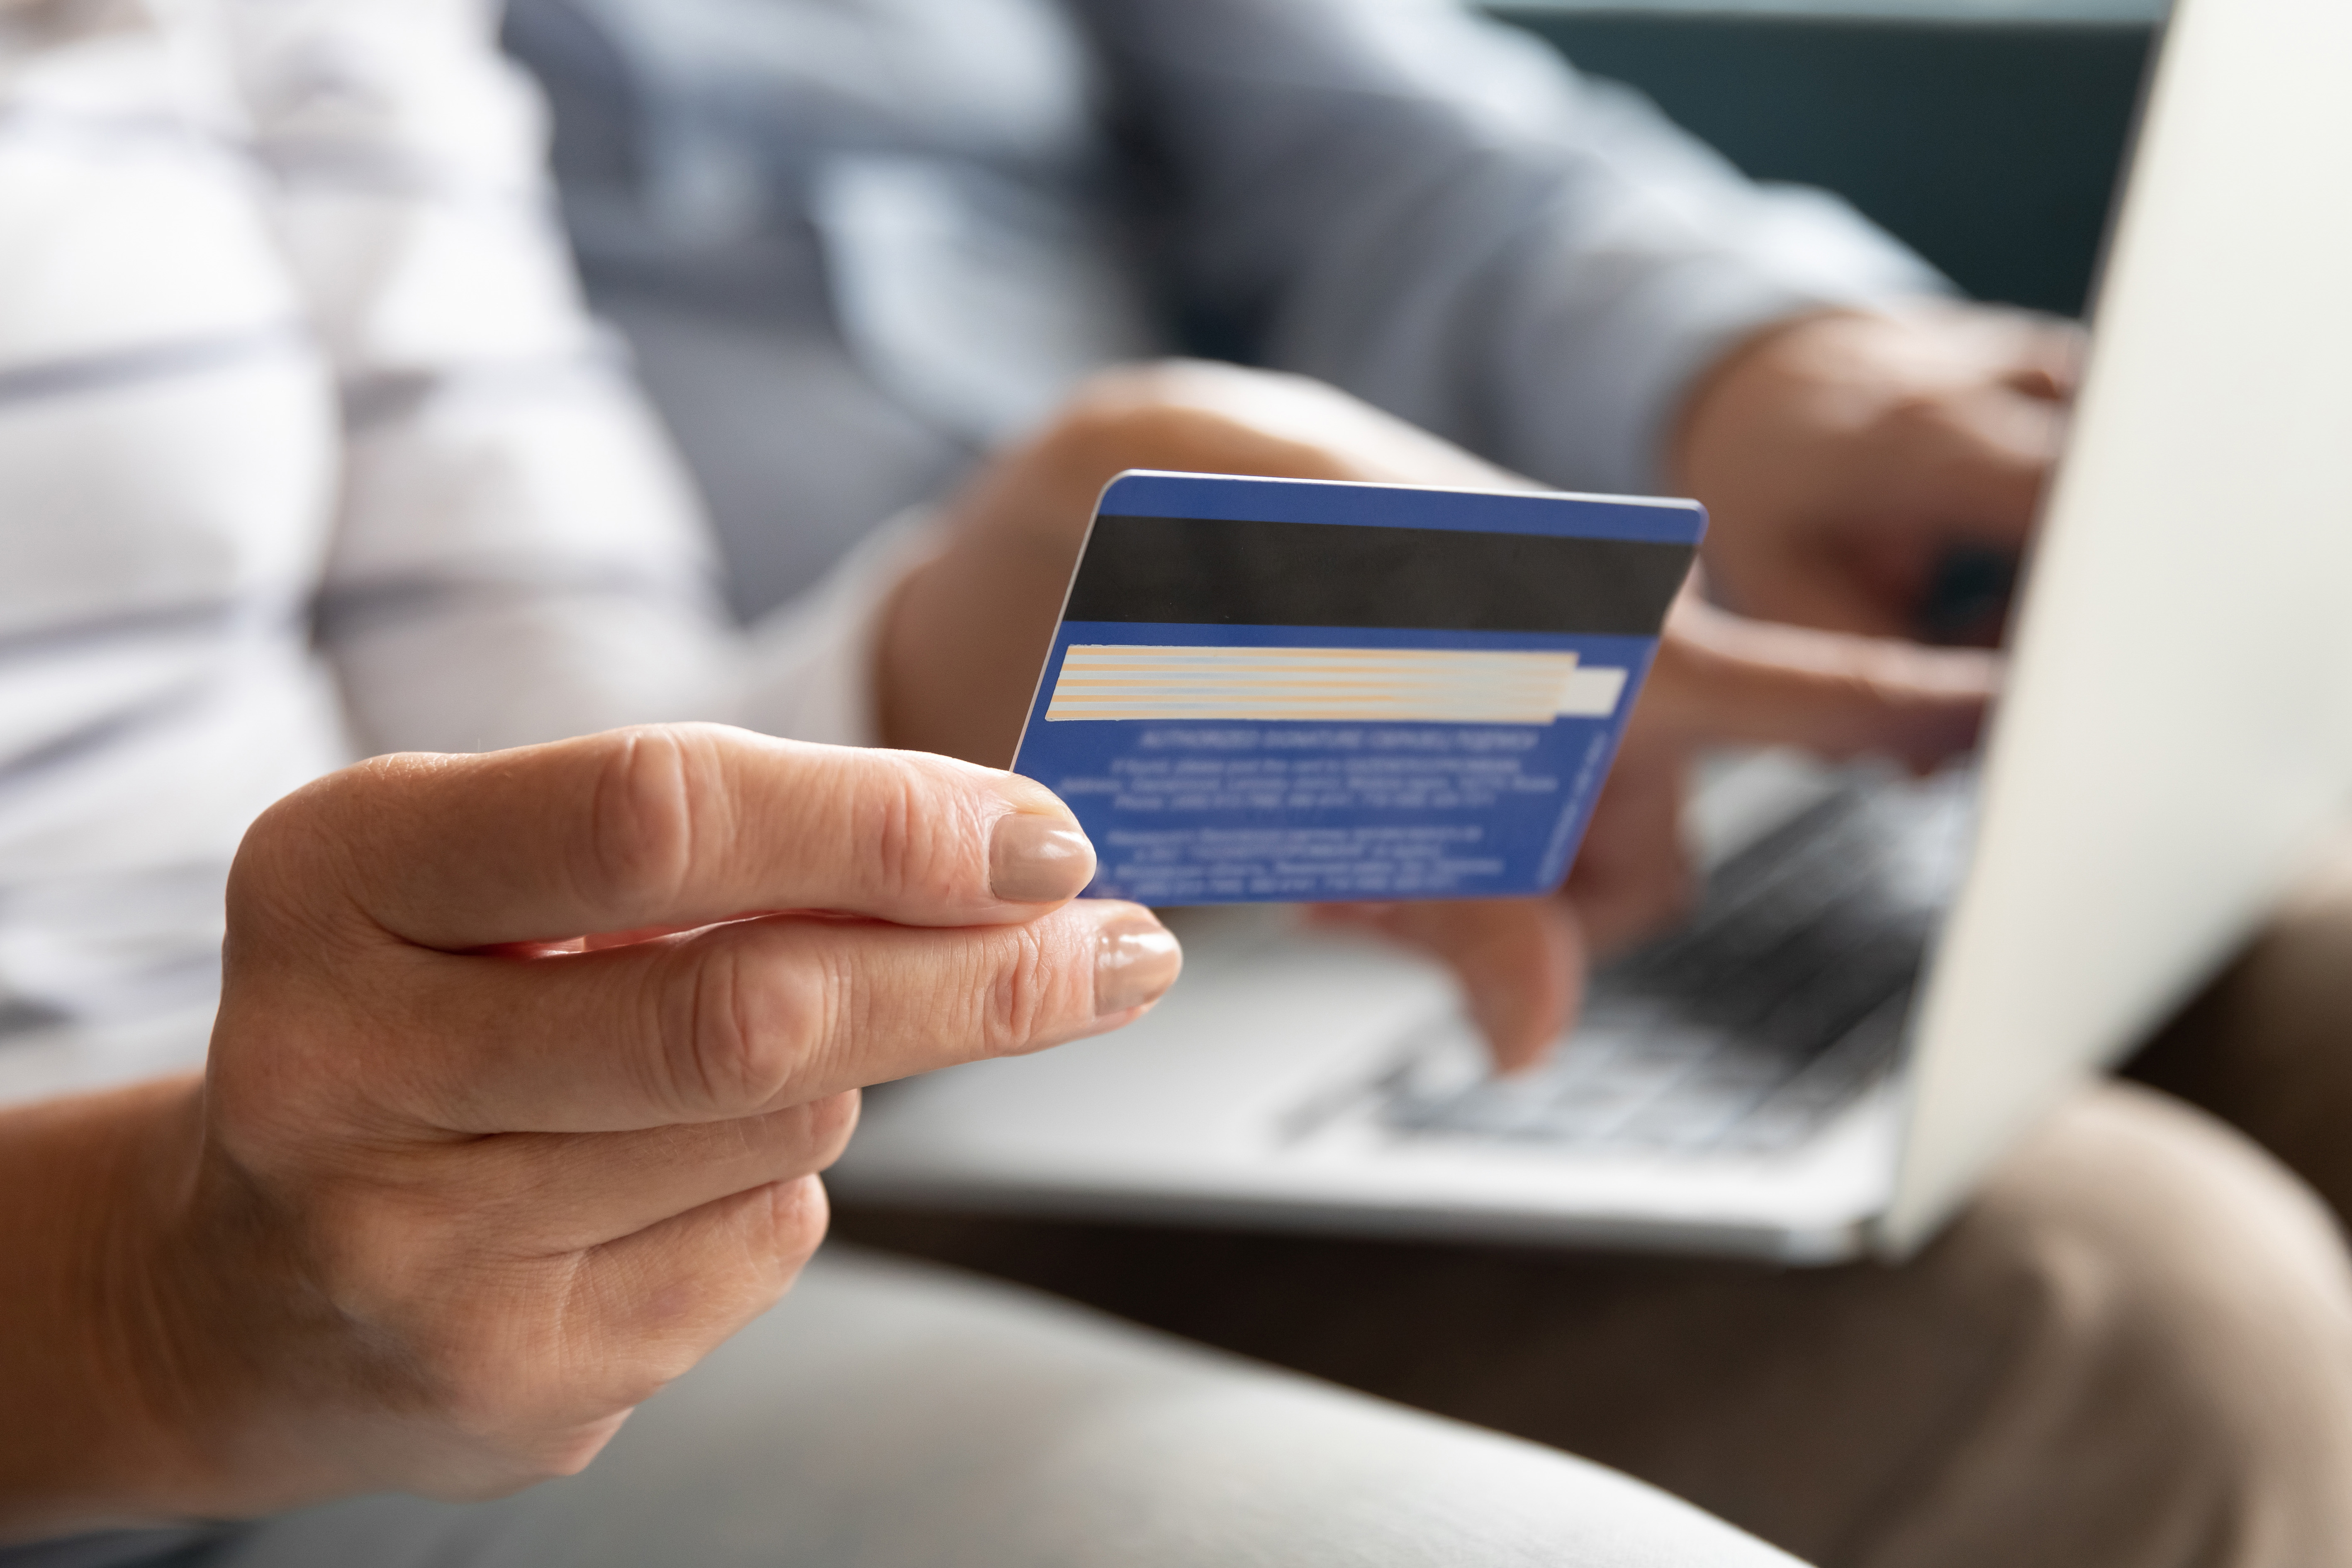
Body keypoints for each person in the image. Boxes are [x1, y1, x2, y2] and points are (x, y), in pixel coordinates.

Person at [6, 6, 2352, 1568]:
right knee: (2130, 1323)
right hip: (188, 1318)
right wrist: (148, 1291)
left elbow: (542, 775)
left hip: (505, 1188)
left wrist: (962, 646)